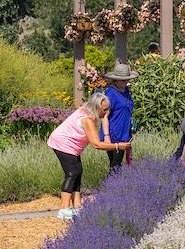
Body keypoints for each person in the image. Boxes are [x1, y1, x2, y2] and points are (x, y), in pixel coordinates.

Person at [47, 92, 129, 220]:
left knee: (78, 171)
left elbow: (101, 132)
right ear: (96, 108)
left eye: (108, 109)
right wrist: (118, 146)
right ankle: (63, 209)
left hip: (72, 147)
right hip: (62, 143)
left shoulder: (87, 111)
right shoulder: (88, 119)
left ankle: (77, 206)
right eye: (105, 110)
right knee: (72, 173)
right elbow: (96, 144)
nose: (107, 112)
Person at [101, 65, 138, 170]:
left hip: (124, 132)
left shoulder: (126, 91)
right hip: (114, 134)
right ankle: (112, 186)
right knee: (116, 165)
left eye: (126, 79)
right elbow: (104, 116)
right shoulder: (111, 93)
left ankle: (112, 185)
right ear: (115, 80)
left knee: (117, 165)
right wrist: (106, 136)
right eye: (121, 80)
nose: (124, 82)